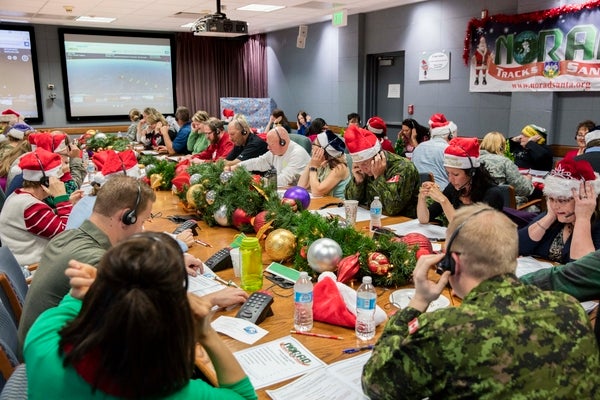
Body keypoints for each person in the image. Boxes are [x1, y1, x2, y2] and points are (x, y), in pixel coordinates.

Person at [362, 204, 600, 399]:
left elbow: (375, 383)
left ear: (453, 262)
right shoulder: (570, 310)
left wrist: (417, 302)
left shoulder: (447, 329)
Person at [24, 232, 257, 399]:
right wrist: (206, 333)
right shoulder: (179, 393)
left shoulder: (42, 338)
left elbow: (75, 302)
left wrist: (106, 284)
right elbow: (244, 396)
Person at [518, 158, 600, 263]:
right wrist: (549, 217)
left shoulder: (596, 226)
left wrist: (582, 218)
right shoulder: (555, 217)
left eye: (562, 200)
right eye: (551, 199)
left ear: (584, 198)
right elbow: (518, 247)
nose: (555, 206)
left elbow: (583, 270)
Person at [0, 148, 73, 266]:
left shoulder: (20, 195)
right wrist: (62, 199)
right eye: (58, 180)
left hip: (28, 264)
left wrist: (68, 202)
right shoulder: (31, 207)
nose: (60, 183)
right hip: (34, 269)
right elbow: (67, 234)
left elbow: (42, 221)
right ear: (46, 182)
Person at [417, 137, 503, 224]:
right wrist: (422, 196)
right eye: (448, 173)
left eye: (456, 174)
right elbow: (424, 219)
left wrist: (443, 200)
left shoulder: (492, 194)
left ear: (471, 173)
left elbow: (469, 230)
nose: (450, 179)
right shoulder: (454, 187)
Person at [344, 124, 419, 217]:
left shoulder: (404, 167)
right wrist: (358, 182)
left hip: (405, 222)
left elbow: (392, 209)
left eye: (365, 164)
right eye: (358, 165)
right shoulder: (364, 169)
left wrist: (378, 177)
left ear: (378, 157)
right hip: (375, 218)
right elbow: (350, 201)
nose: (363, 169)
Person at [233, 126, 310, 187]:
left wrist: (257, 181)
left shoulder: (297, 154)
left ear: (282, 142)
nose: (268, 148)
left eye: (271, 145)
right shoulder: (274, 152)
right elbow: (259, 162)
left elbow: (284, 180)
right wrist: (238, 166)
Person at [479, 131, 534, 206]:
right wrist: (528, 180)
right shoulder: (504, 162)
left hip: (477, 206)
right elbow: (523, 190)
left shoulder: (473, 160)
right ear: (502, 146)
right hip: (502, 208)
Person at [297, 130, 350, 198]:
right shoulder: (319, 163)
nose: (312, 147)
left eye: (314, 144)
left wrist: (313, 167)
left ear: (323, 150)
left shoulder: (339, 168)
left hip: (338, 206)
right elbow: (301, 187)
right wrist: (311, 162)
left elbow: (317, 192)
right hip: (324, 203)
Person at [411, 113, 455, 189]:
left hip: (418, 192)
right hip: (441, 193)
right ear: (450, 136)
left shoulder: (418, 147)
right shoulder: (449, 150)